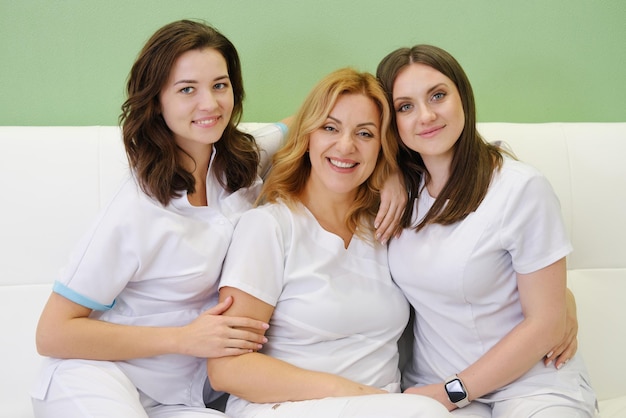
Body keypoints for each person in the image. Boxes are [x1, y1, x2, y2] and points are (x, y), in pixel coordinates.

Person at [30, 20, 285, 417]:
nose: (210, 104)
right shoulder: (136, 207)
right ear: (157, 101)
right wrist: (184, 338)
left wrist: (392, 177)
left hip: (179, 396)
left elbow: (315, 125)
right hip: (98, 377)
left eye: (220, 85)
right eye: (187, 90)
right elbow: (52, 333)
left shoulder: (241, 162)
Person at [206, 68, 452, 417]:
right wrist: (351, 394)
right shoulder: (269, 227)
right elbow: (226, 368)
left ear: (383, 146)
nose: (346, 146)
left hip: (385, 408)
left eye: (365, 133)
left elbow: (482, 225)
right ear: (307, 136)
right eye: (330, 128)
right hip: (286, 407)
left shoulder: (389, 225)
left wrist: (555, 301)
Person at [377, 44, 597, 417]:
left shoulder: (520, 188)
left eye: (438, 95)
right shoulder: (395, 196)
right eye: (405, 106)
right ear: (391, 122)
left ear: (463, 96)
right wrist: (389, 173)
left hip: (533, 385)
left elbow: (545, 322)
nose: (426, 115)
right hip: (437, 388)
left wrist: (451, 392)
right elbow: (314, 137)